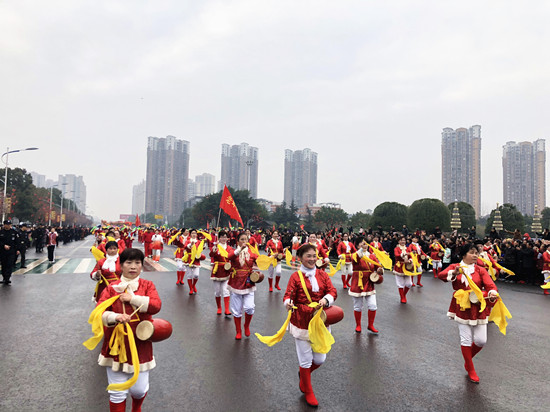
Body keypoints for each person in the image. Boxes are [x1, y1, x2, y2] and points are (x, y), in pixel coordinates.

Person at [90, 248, 161, 411]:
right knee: (117, 392)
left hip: (140, 345)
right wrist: (115, 317)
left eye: (137, 263)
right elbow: (98, 312)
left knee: (139, 390)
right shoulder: (111, 288)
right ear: (121, 265)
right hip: (116, 345)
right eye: (128, 262)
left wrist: (133, 298)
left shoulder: (147, 285)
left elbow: (156, 305)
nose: (133, 266)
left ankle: (137, 407)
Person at [283, 243, 337, 407]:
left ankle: (303, 375)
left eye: (314, 256)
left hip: (319, 320)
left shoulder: (322, 274)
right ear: (300, 258)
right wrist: (288, 303)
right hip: (301, 320)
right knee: (305, 359)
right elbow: (288, 295)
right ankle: (308, 390)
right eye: (308, 256)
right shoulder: (295, 277)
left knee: (320, 358)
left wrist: (326, 299)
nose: (312, 259)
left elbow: (332, 291)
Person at [438, 243, 499, 383]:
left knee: (481, 340)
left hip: (478, 305)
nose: (475, 255)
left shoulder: (480, 270)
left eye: (477, 253)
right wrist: (454, 273)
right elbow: (441, 275)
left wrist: (492, 292)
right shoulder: (455, 267)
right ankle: (471, 369)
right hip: (462, 305)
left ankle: (467, 361)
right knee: (465, 339)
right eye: (472, 252)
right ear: (464, 254)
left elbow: (490, 284)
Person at [227, 232, 259, 340]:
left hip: (248, 282)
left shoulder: (251, 253)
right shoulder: (234, 251)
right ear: (238, 241)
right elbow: (229, 257)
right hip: (236, 282)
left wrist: (270, 258)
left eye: (246, 239)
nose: (245, 241)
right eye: (242, 239)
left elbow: (260, 261)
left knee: (250, 307)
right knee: (236, 310)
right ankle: (238, 331)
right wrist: (239, 249)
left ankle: (246, 326)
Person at [349, 239, 383, 334]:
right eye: (362, 243)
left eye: (366, 243)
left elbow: (378, 267)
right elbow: (356, 258)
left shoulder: (372, 256)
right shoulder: (354, 255)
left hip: (369, 283)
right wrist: (361, 250)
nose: (365, 245)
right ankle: (358, 325)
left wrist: (380, 270)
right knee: (358, 307)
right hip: (357, 283)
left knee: (373, 306)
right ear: (358, 245)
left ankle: (370, 325)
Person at [209, 230, 233, 316]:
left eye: (225, 237)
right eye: (222, 237)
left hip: (226, 270)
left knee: (226, 291)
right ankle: (219, 307)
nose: (223, 238)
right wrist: (214, 250)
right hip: (217, 270)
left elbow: (232, 257)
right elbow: (211, 255)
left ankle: (227, 309)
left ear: (227, 238)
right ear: (219, 238)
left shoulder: (229, 248)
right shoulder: (216, 246)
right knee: (217, 292)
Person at [184, 229, 206, 295]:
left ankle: (193, 286)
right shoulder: (188, 241)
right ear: (190, 234)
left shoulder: (199, 241)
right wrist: (190, 245)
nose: (194, 234)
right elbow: (185, 247)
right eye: (192, 233)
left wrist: (203, 244)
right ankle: (191, 289)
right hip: (189, 259)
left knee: (196, 275)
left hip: (196, 259)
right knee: (189, 275)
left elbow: (202, 248)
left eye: (195, 233)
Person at [393, 236, 413, 303]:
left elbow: (411, 256)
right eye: (401, 240)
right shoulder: (396, 248)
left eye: (404, 240)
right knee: (400, 284)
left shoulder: (407, 248)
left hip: (407, 267)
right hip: (399, 266)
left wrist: (410, 260)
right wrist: (404, 254)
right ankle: (402, 298)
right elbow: (397, 255)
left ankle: (403, 295)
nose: (403, 241)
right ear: (398, 241)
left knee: (409, 283)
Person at [0, 220, 19, 285]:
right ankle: (4, 277)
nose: (8, 226)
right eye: (7, 224)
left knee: (9, 264)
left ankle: (7, 278)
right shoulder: (1, 232)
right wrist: (3, 245)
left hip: (11, 251)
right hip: (3, 251)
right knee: (4, 265)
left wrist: (17, 250)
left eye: (9, 224)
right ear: (4, 225)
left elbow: (17, 242)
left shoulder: (14, 232)